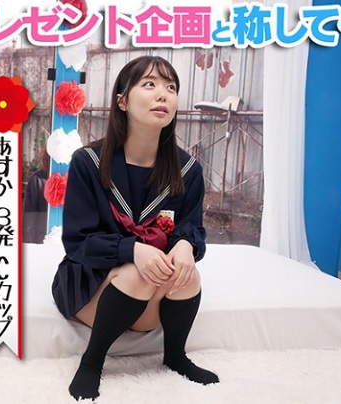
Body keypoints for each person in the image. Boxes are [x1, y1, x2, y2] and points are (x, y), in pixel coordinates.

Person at [51, 56, 219, 401]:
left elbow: (191, 227)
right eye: (150, 84)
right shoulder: (89, 163)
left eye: (171, 87)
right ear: (123, 101)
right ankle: (91, 363)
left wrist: (185, 245)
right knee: (136, 273)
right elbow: (78, 242)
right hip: (91, 287)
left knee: (189, 277)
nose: (163, 94)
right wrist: (131, 249)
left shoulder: (188, 170)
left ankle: (175, 357)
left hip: (147, 301)